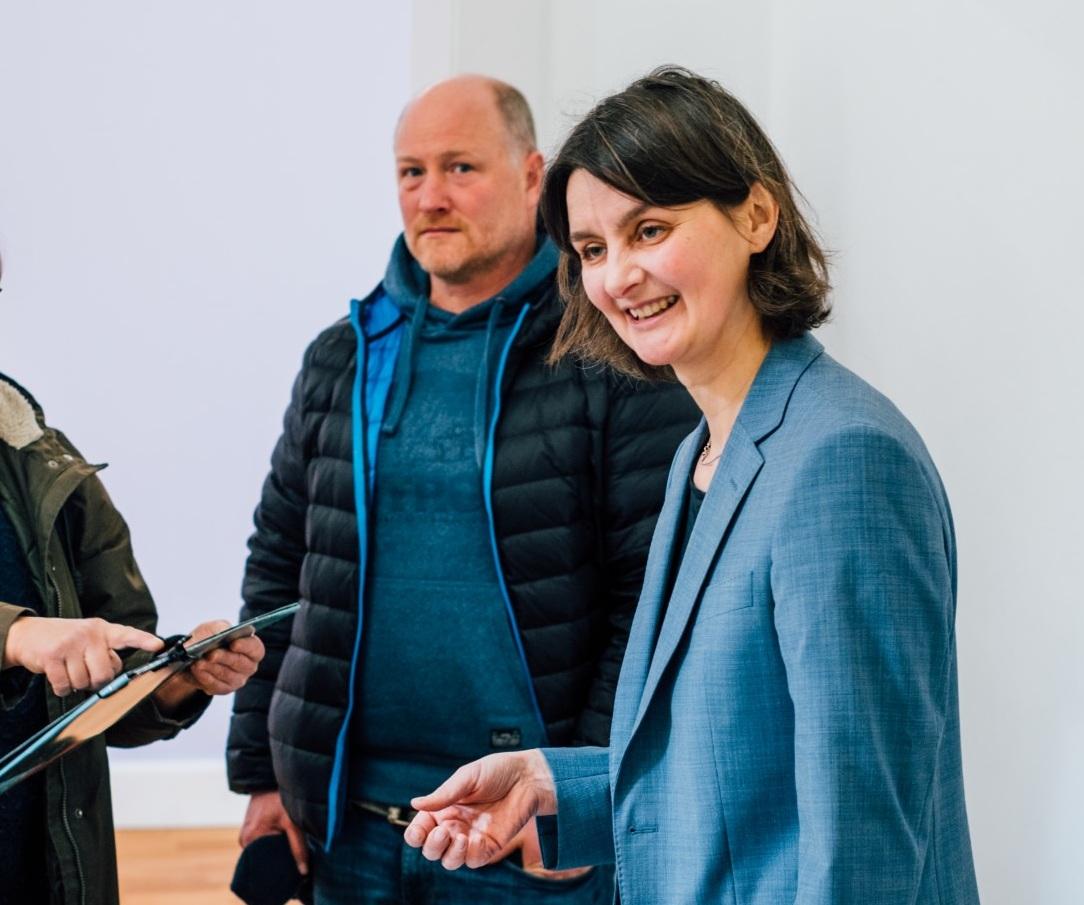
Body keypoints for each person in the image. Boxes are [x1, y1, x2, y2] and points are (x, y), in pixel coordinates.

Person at [402, 67, 981, 905]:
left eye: (649, 230)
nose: (617, 277)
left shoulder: (844, 457)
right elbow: (734, 762)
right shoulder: (699, 453)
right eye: (592, 250)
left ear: (756, 216)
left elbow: (864, 833)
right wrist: (549, 781)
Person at [226, 75, 697, 904]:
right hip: (348, 827)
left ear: (531, 176)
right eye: (411, 172)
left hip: (519, 835)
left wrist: (580, 795)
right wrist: (263, 770)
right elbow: (279, 567)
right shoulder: (343, 356)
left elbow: (651, 595)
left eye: (460, 168)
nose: (431, 196)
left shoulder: (612, 356)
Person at [0, 256, 266, 905]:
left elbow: (113, 682)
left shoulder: (41, 458)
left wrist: (180, 675)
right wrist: (15, 635)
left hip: (48, 871)